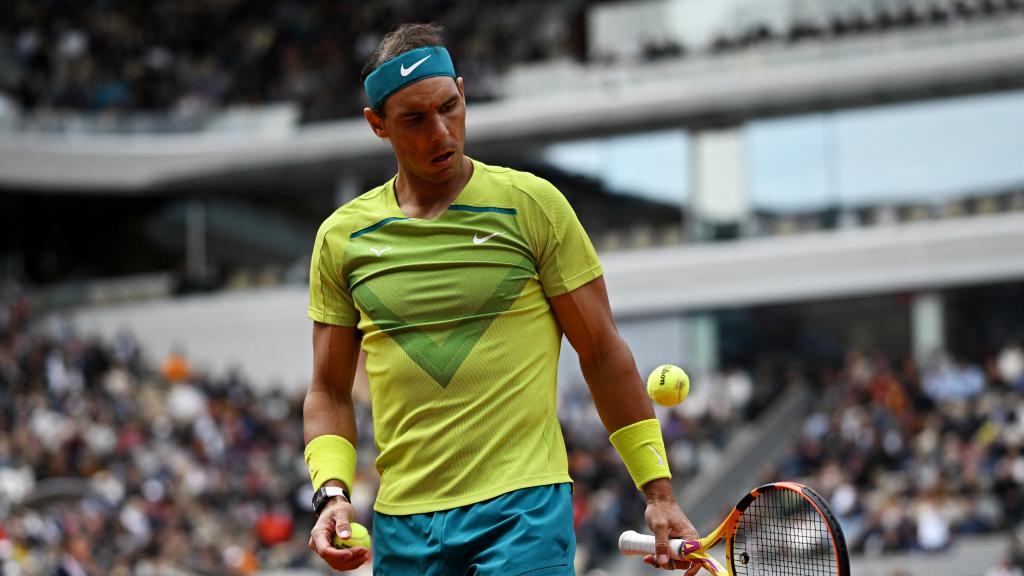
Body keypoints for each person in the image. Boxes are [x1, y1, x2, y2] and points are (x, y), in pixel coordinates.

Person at [303, 22, 700, 575]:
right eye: (415, 119)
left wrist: (658, 493)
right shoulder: (342, 238)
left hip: (523, 512)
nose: (441, 132)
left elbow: (603, 353)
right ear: (378, 125)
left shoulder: (532, 206)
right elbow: (328, 389)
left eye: (449, 107)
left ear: (463, 93)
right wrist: (331, 492)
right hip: (402, 524)